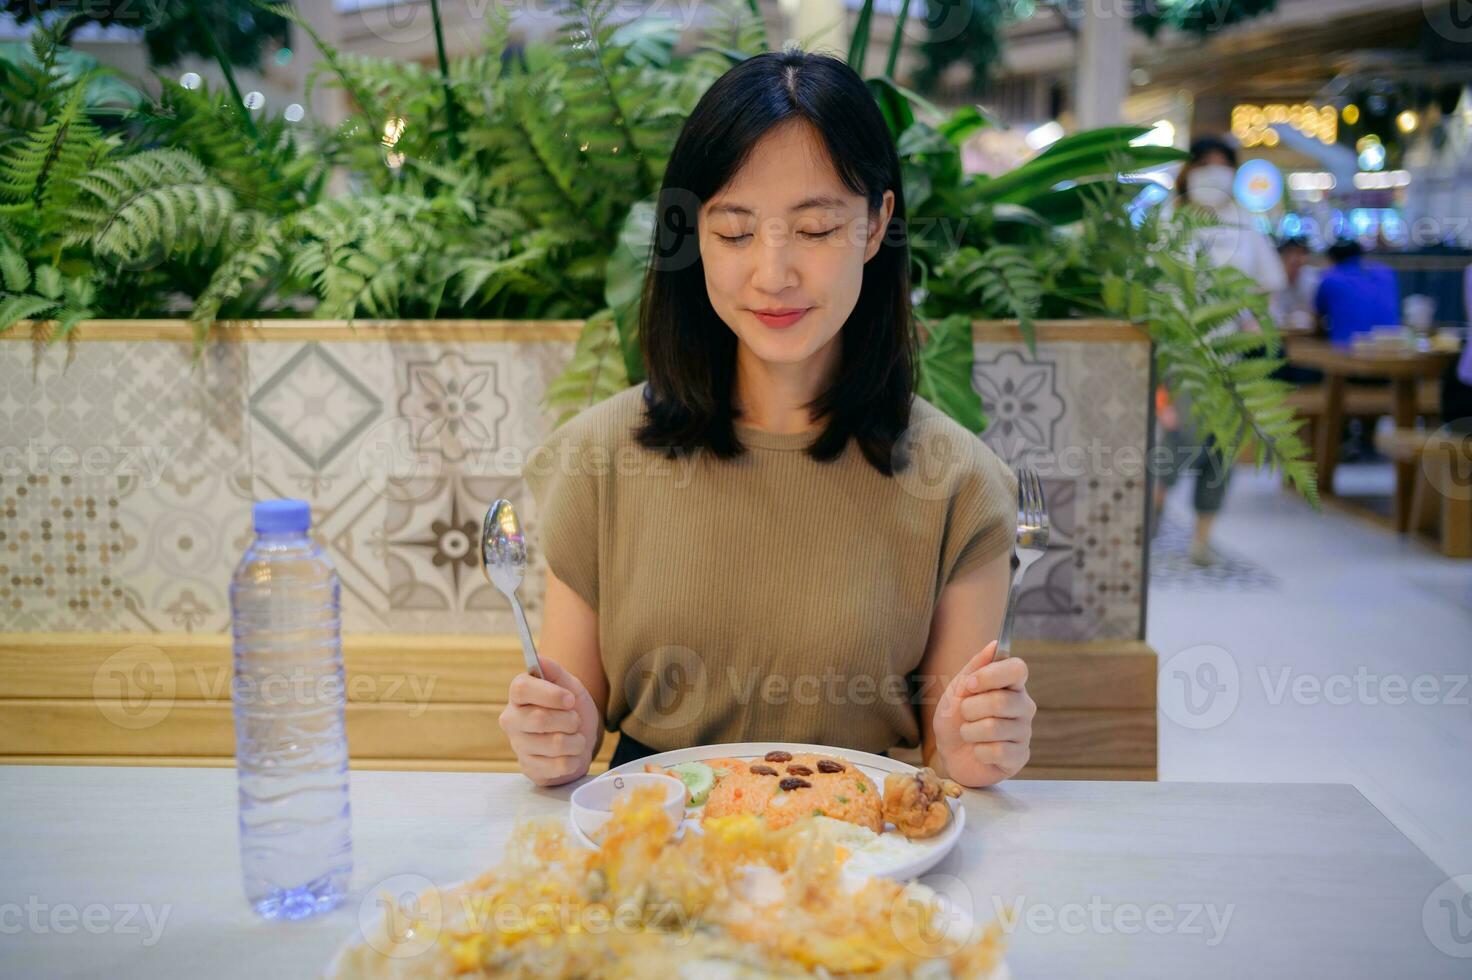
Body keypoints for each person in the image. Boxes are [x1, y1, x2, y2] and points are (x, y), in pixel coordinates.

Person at [499, 50, 1033, 789]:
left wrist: (973, 746)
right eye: (735, 231)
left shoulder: (959, 483)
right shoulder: (599, 459)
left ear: (877, 225)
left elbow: (952, 754)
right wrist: (555, 735)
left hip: (862, 855)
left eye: (814, 230)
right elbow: (575, 714)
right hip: (659, 854)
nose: (773, 273)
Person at [1153, 136, 1287, 566]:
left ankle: (1201, 539)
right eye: (1205, 164)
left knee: (1221, 451)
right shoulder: (1167, 219)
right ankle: (1146, 527)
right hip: (1180, 355)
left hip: (1229, 359)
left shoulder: (1243, 222)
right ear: (1188, 171)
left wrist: (1252, 319)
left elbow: (1269, 281)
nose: (1214, 173)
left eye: (1222, 165)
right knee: (1178, 441)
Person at [1314, 239, 1400, 346]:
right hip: (1392, 348)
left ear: (1332, 259)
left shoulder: (1331, 277)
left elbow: (1317, 319)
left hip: (1348, 352)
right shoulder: (1386, 273)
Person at [1270, 236, 1319, 331]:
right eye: (1291, 252)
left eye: (1301, 253)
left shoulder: (1313, 278)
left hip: (1306, 336)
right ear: (1281, 255)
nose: (1296, 258)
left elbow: (1316, 314)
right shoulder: (1272, 277)